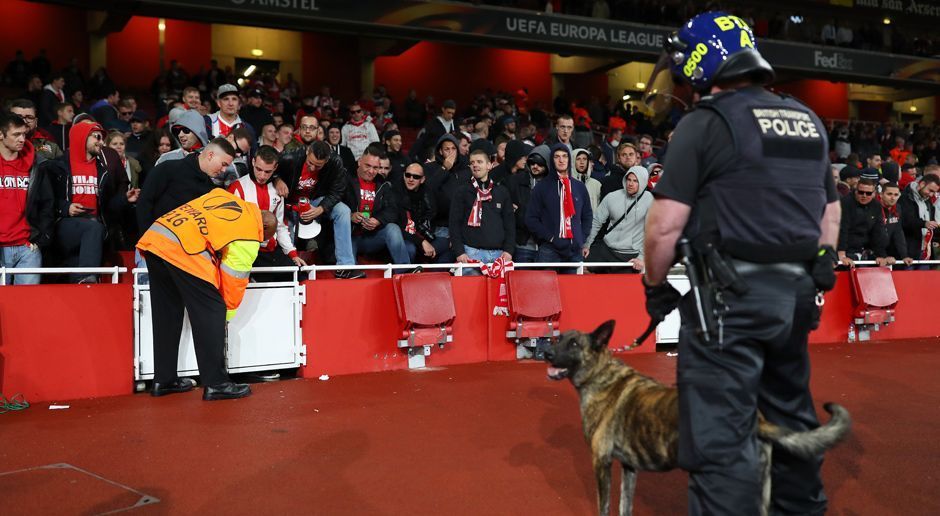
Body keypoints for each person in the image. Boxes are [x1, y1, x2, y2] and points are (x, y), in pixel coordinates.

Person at [641, 13, 841, 515]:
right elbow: (831, 210)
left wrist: (655, 284)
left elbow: (664, 226)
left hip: (728, 304)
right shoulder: (806, 118)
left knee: (720, 440)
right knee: (792, 420)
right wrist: (820, 265)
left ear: (703, 60)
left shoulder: (705, 123)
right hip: (794, 300)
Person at [137, 188, 277, 401]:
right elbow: (234, 280)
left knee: (167, 313)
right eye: (264, 237)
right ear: (264, 226)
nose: (262, 241)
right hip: (185, 250)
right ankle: (216, 383)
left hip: (156, 238)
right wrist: (225, 315)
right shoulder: (249, 232)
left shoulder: (225, 196)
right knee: (213, 311)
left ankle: (164, 380)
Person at [0, 113, 54, 284]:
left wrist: (41, 238)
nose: (22, 139)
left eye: (24, 134)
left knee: (27, 305)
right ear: (1, 135)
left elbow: (48, 203)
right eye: (16, 134)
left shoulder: (35, 166)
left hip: (28, 248)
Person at [449, 149, 515, 273]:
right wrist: (459, 252)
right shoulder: (462, 191)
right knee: (472, 292)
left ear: (489, 165)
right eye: (472, 162)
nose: (475, 165)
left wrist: (508, 251)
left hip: (499, 255)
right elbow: (454, 224)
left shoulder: (502, 191)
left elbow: (510, 224)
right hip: (470, 254)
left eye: (479, 161)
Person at [583, 165, 651, 273]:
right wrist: (586, 244)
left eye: (635, 181)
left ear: (643, 182)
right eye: (629, 179)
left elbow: (652, 233)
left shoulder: (650, 201)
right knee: (580, 267)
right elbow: (596, 221)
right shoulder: (612, 197)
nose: (630, 184)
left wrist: (642, 257)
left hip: (631, 254)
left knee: (622, 287)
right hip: (607, 249)